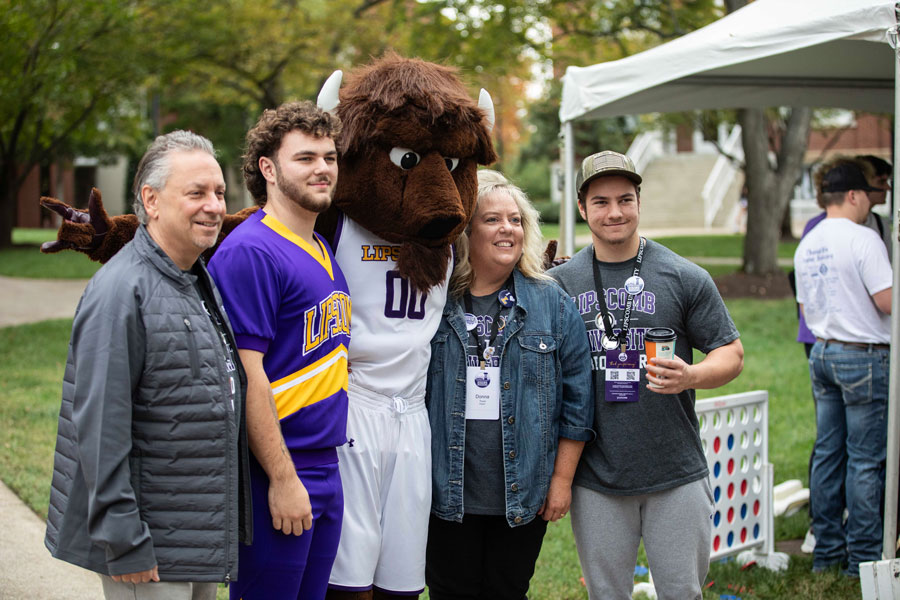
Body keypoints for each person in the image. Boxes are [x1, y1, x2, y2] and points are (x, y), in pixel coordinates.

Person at [44, 131, 251, 599]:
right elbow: (99, 425)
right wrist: (123, 536)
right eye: (196, 193)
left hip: (194, 530)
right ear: (151, 201)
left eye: (219, 193)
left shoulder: (193, 276)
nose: (215, 206)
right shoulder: (121, 291)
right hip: (148, 544)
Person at [549, 150, 744, 600]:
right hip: (597, 478)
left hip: (675, 472)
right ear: (582, 208)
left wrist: (691, 375)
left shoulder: (683, 275)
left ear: (639, 201)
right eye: (600, 202)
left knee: (682, 593)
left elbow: (731, 354)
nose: (614, 212)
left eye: (625, 199)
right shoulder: (562, 284)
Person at [424, 170, 594, 599]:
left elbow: (578, 399)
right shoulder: (433, 300)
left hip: (523, 493)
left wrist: (560, 481)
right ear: (465, 231)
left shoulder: (551, 301)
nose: (508, 229)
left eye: (516, 220)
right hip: (444, 491)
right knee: (450, 592)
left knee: (508, 590)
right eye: (492, 219)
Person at [206, 102, 349, 600]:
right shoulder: (252, 251)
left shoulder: (320, 246)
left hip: (326, 464)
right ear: (268, 168)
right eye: (305, 158)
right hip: (277, 469)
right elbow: (244, 377)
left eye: (329, 157)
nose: (323, 169)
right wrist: (283, 478)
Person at [793, 156, 892, 577]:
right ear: (854, 196)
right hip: (864, 353)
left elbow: (803, 306)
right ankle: (863, 560)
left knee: (829, 454)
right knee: (866, 460)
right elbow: (888, 303)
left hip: (823, 352)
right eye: (867, 195)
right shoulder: (864, 238)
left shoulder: (807, 242)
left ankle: (826, 551)